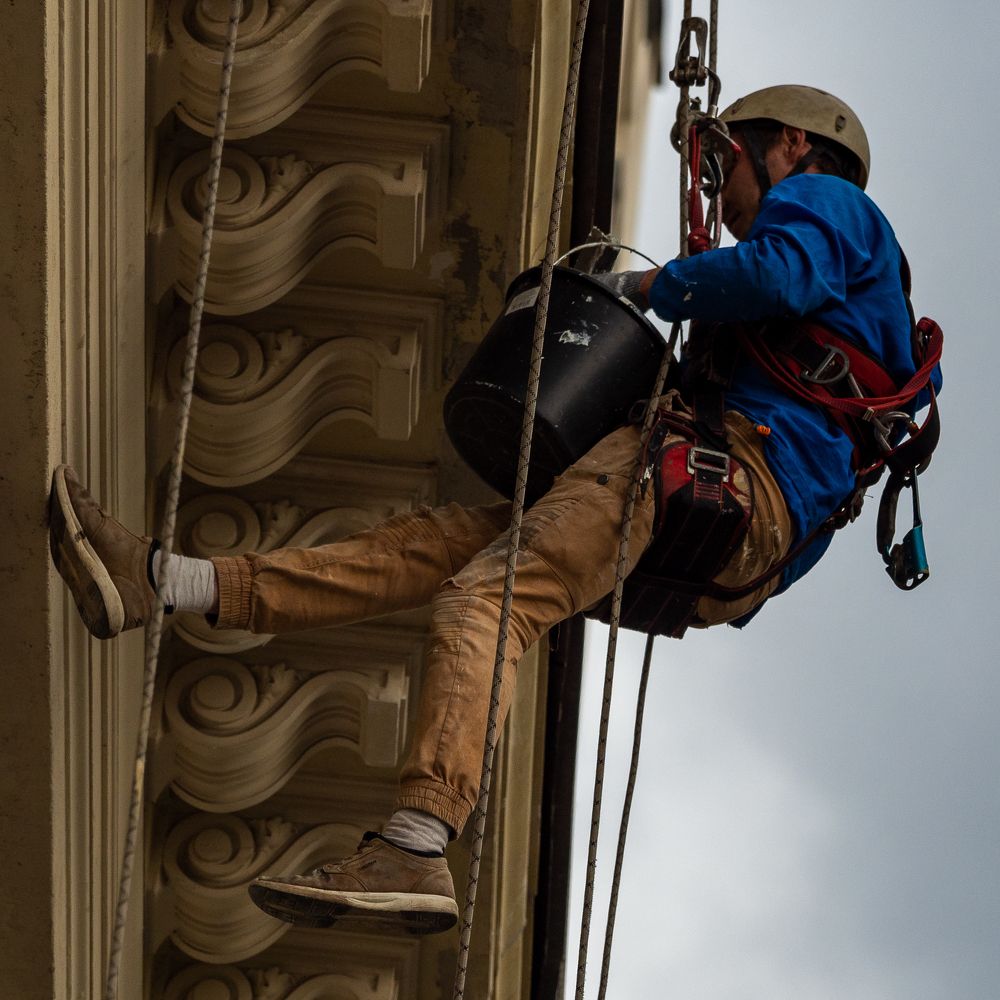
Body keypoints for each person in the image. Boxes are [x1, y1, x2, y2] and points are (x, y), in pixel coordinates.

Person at [48, 85, 941, 935]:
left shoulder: (830, 203)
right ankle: (164, 581)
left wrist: (649, 291)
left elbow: (772, 274)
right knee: (435, 548)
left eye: (727, 174)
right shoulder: (857, 315)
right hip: (732, 553)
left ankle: (414, 845)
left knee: (487, 599)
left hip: (717, 475)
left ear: (789, 145)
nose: (727, 199)